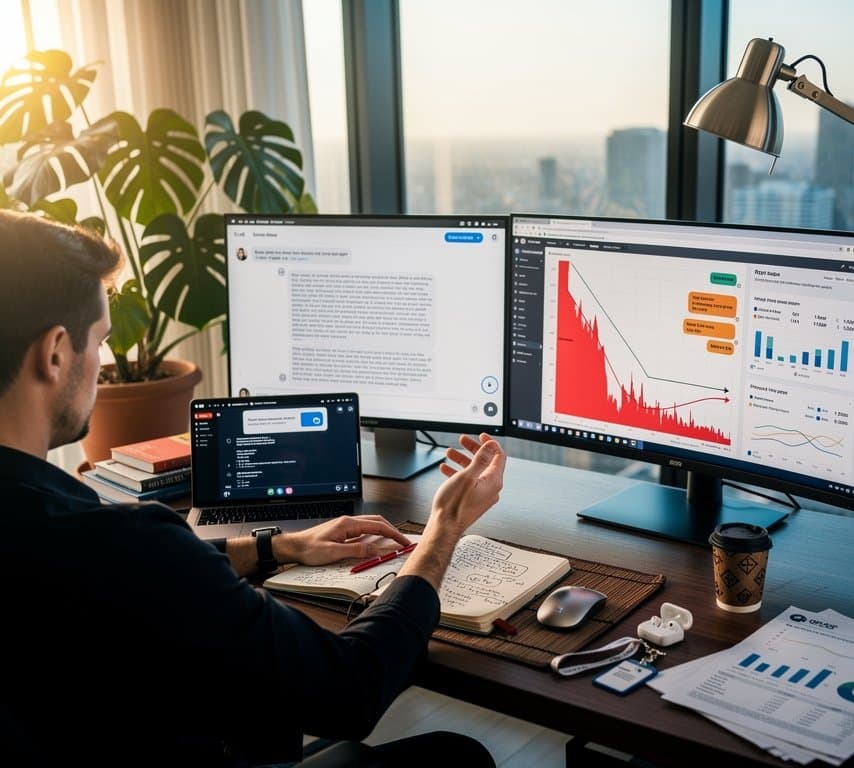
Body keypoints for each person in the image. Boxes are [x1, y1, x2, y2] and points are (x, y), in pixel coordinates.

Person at [0, 210, 505, 768]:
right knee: (456, 757)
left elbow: (139, 576)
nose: (101, 364)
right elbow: (350, 689)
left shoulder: (71, 535)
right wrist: (443, 531)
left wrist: (276, 546)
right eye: (99, 342)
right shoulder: (120, 543)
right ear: (53, 354)